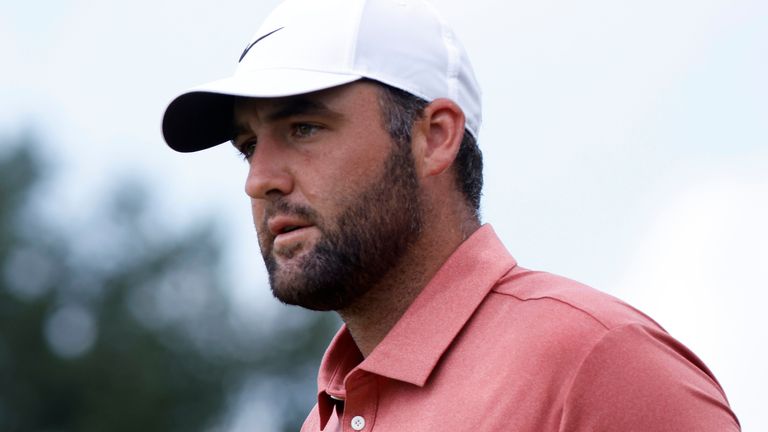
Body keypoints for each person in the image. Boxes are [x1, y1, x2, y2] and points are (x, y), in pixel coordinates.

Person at [162, 0, 740, 430]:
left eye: (304, 128)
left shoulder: (596, 362)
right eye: (248, 146)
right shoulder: (324, 419)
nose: (259, 180)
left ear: (435, 138)